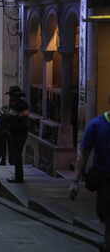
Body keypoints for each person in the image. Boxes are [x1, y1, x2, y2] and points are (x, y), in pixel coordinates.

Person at [70, 107, 110, 252]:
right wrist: (75, 181)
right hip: (105, 179)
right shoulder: (97, 125)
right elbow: (84, 154)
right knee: (105, 213)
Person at [4, 86, 30, 183]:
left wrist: (11, 115)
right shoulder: (14, 104)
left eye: (11, 95)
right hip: (15, 132)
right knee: (16, 155)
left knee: (17, 155)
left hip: (19, 133)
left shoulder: (20, 104)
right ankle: (18, 176)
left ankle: (19, 177)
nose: (10, 97)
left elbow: (15, 117)